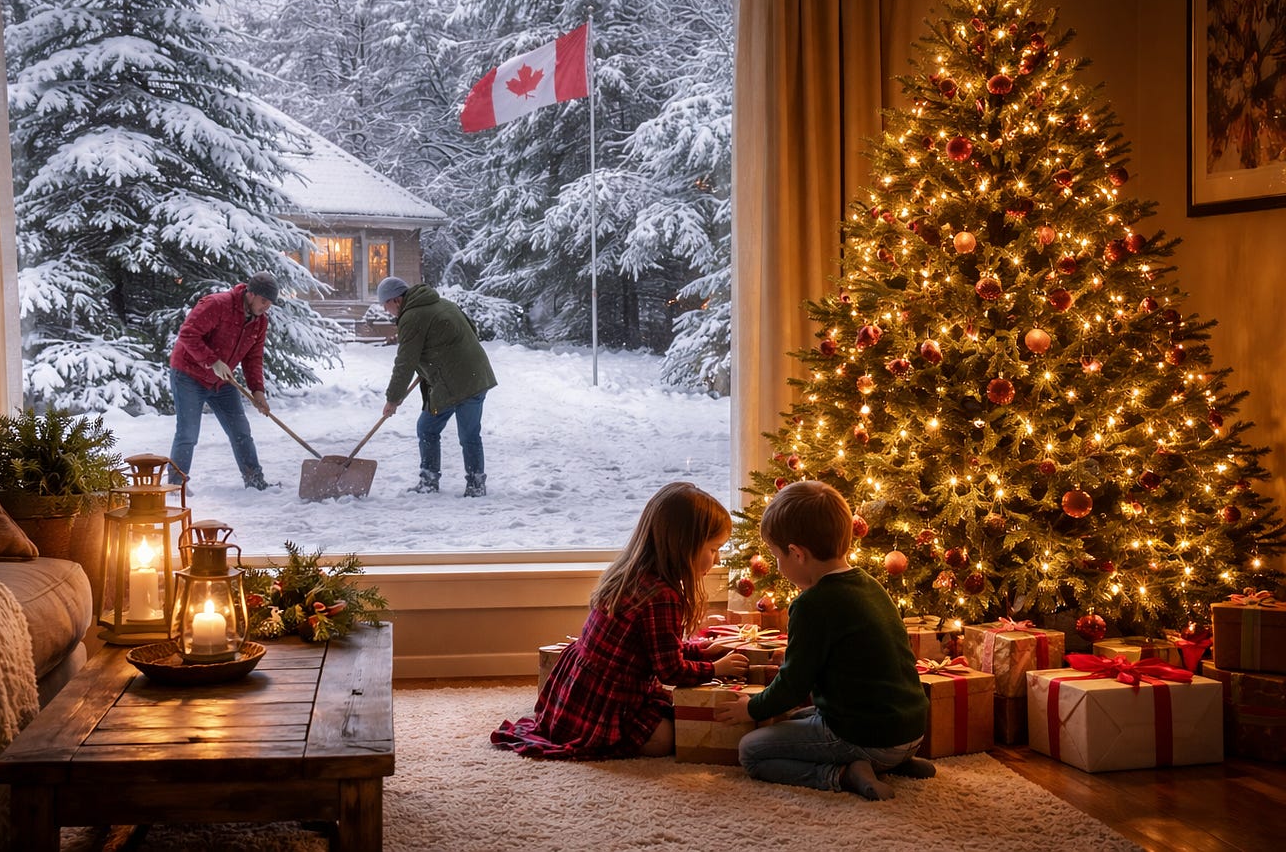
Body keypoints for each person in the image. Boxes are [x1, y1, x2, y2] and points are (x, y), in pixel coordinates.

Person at [491, 482, 751, 759]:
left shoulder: (631, 573)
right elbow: (670, 671)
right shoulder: (661, 595)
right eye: (713, 549)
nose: (718, 558)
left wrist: (702, 651)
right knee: (668, 738)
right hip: (603, 702)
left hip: (581, 690)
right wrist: (714, 668)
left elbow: (655, 648)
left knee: (670, 715)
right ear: (683, 546)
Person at [714, 480, 933, 800]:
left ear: (797, 553)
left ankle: (844, 774)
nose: (777, 564)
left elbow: (792, 687)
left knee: (752, 750)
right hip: (912, 731)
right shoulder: (870, 584)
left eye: (776, 555)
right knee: (798, 719)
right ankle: (895, 760)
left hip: (868, 737)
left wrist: (752, 709)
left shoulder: (811, 605)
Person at [376, 276, 497, 497]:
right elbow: (470, 331)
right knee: (430, 428)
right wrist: (436, 361)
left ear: (395, 301)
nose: (387, 312)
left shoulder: (412, 317)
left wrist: (393, 399)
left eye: (385, 306)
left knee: (464, 434)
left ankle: (463, 483)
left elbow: (405, 363)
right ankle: (443, 481)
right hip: (466, 377)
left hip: (463, 382)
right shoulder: (443, 304)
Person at [167, 272, 278, 490]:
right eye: (264, 301)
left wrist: (257, 391)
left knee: (241, 431)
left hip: (222, 382)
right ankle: (175, 485)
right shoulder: (218, 305)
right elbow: (188, 334)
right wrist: (213, 362)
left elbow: (253, 357)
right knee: (188, 432)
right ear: (251, 294)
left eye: (270, 303)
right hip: (189, 374)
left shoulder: (259, 322)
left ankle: (254, 480)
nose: (266, 307)